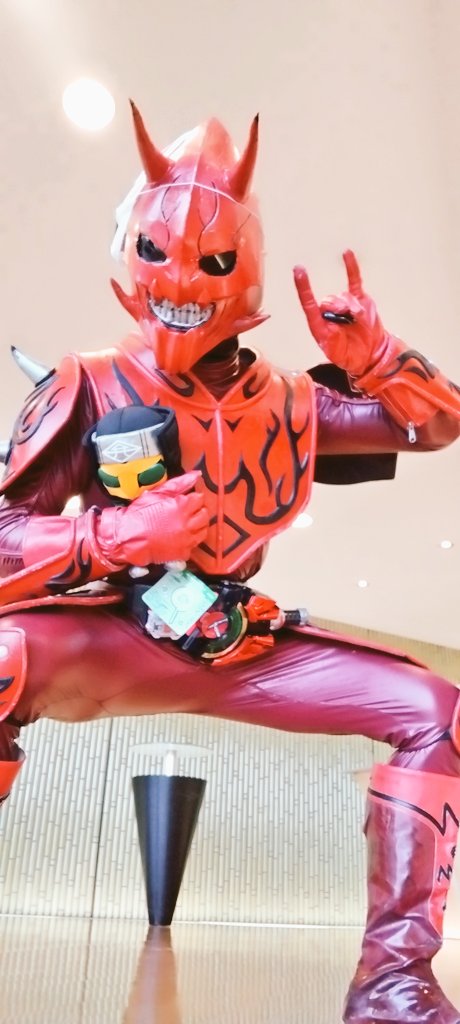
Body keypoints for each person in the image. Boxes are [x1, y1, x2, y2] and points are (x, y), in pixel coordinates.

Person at [0, 102, 459, 1023]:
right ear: (131, 250)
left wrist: (377, 359)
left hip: (235, 636)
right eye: (158, 252)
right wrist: (114, 539)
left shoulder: (289, 402)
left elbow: (433, 424)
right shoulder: (88, 385)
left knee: (434, 709)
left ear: (241, 270)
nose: (181, 280)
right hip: (115, 631)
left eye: (210, 261)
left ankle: (393, 983)